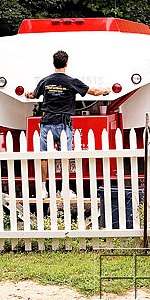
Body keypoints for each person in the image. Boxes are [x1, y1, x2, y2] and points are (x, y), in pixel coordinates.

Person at [25, 50, 110, 197]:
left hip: (46, 123)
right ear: (66, 63)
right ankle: (65, 189)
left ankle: (43, 189)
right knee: (66, 156)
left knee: (44, 156)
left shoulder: (45, 81)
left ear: (53, 64)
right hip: (63, 125)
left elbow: (34, 94)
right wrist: (106, 90)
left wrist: (27, 94)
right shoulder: (71, 82)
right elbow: (94, 92)